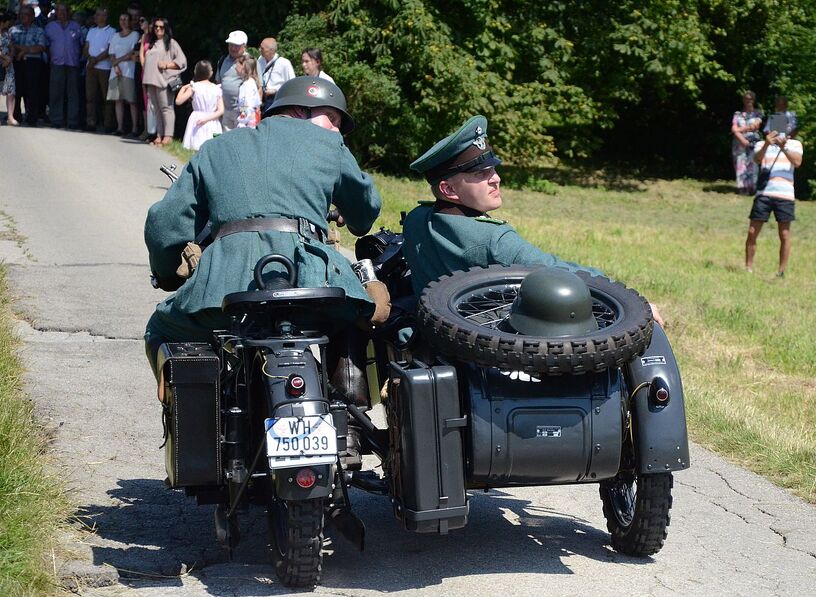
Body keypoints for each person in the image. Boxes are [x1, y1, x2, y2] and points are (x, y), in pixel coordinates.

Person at [144, 77, 381, 457]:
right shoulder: (329, 144)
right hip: (313, 283)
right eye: (334, 119)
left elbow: (163, 223)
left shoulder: (216, 148)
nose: (338, 130)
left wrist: (169, 271)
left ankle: (202, 436)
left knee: (162, 327)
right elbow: (365, 211)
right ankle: (350, 424)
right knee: (354, 317)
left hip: (226, 289)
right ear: (302, 112)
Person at [403, 115, 664, 326]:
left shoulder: (417, 218)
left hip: (431, 336)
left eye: (493, 169)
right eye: (481, 174)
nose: (496, 179)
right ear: (449, 190)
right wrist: (632, 301)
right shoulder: (494, 239)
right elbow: (559, 273)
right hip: (483, 347)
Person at [744, 129, 803, 277]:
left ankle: (781, 271)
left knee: (784, 234)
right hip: (764, 193)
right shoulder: (761, 144)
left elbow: (797, 162)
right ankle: (748, 268)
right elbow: (757, 159)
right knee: (752, 232)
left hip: (785, 194)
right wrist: (766, 145)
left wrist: (783, 147)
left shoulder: (795, 144)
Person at [140, 16, 184, 145]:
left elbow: (181, 61)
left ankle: (168, 136)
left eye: (161, 27)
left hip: (164, 81)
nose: (158, 29)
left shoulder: (171, 43)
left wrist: (167, 65)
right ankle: (159, 135)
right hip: (151, 81)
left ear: (166, 28)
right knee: (157, 109)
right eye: (156, 27)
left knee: (166, 108)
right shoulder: (152, 43)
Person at [44, 3, 82, 129]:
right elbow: (46, 45)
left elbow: (82, 45)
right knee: (56, 93)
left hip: (72, 63)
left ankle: (72, 121)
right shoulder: (49, 27)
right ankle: (56, 119)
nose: (62, 13)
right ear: (56, 13)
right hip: (56, 63)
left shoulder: (76, 26)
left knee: (73, 93)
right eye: (59, 11)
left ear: (68, 12)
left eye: (64, 11)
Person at [10, 4, 46, 126]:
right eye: (21, 14)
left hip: (33, 63)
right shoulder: (13, 29)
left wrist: (25, 50)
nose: (23, 16)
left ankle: (32, 117)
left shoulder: (39, 30)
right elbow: (10, 45)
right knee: (17, 90)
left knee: (32, 90)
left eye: (26, 14)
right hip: (17, 63)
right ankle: (16, 115)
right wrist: (24, 50)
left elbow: (40, 47)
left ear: (32, 16)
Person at [175, 59, 222, 150]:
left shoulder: (194, 87)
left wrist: (183, 88)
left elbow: (178, 101)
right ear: (210, 73)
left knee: (195, 144)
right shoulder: (216, 89)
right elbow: (221, 110)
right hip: (212, 119)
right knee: (212, 147)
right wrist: (208, 118)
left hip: (197, 118)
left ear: (195, 72)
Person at [106, 12, 139, 136]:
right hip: (115, 72)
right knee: (117, 100)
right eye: (121, 19)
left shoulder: (134, 35)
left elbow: (132, 53)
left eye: (126, 19)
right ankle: (120, 127)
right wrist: (115, 66)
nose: (123, 21)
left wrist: (117, 62)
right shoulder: (115, 35)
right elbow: (111, 52)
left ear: (130, 21)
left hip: (129, 71)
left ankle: (135, 128)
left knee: (131, 101)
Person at [82, 6, 114, 132]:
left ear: (105, 17)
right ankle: (91, 122)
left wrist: (96, 60)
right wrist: (90, 58)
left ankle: (107, 123)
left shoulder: (112, 31)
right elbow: (86, 47)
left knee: (106, 97)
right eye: (97, 15)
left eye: (101, 15)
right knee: (90, 96)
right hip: (90, 67)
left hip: (104, 67)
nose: (98, 17)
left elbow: (109, 50)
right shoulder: (91, 31)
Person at [731, 91, 764, 195]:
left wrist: (738, 130)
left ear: (753, 100)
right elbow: (733, 128)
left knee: (753, 164)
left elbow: (755, 126)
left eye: (750, 99)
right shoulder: (737, 114)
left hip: (753, 142)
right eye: (745, 99)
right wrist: (742, 138)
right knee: (740, 164)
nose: (747, 101)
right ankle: (742, 188)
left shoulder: (758, 113)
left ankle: (752, 188)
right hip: (739, 143)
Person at [215, 29, 245, 131]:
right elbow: (218, 82)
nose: (233, 48)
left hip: (243, 109)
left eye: (236, 45)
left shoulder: (250, 61)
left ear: (244, 46)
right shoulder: (223, 60)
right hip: (225, 109)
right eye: (231, 45)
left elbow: (258, 87)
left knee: (241, 137)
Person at [257, 37, 293, 114]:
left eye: (262, 48)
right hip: (262, 98)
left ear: (271, 50)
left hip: (276, 99)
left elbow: (291, 84)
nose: (259, 50)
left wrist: (275, 91)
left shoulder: (284, 63)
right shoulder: (260, 60)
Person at [234, 52, 260, 128]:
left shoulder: (247, 85)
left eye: (237, 65)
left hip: (247, 123)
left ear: (244, 67)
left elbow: (246, 104)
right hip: (250, 120)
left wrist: (242, 120)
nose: (235, 67)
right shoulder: (251, 83)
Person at [0, 10, 16, 125]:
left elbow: (12, 47)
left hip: (8, 66)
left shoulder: (6, 34)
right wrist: (5, 58)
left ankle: (10, 116)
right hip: (2, 62)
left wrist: (9, 57)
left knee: (10, 91)